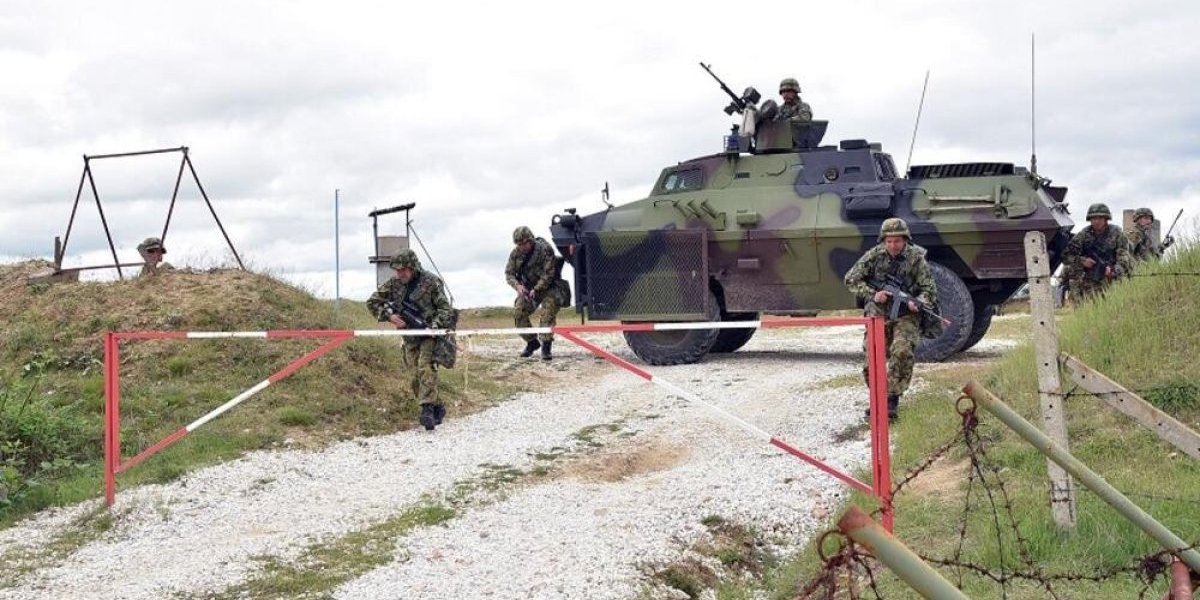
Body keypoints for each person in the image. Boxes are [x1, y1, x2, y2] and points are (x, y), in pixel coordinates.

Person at [843, 218, 938, 421]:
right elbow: (851, 278)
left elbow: (929, 289)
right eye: (889, 241)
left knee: (902, 351)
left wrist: (918, 302)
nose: (893, 245)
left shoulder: (916, 258)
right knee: (872, 357)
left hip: (906, 315)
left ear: (905, 240)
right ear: (883, 241)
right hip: (878, 313)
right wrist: (872, 293)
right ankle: (877, 397)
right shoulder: (874, 256)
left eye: (897, 241)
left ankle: (891, 399)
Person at [366, 249, 455, 431]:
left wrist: (435, 327)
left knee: (425, 367)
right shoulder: (393, 284)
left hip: (429, 334)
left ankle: (427, 410)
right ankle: (437, 406)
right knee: (414, 376)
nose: (400, 274)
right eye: (397, 270)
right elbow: (372, 302)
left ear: (413, 267)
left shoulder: (431, 282)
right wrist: (389, 317)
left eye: (403, 270)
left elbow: (445, 309)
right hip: (409, 336)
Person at [505, 225, 568, 361]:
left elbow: (548, 275)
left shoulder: (545, 249)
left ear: (531, 240)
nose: (522, 247)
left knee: (546, 316)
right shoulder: (515, 254)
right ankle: (532, 343)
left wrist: (536, 289)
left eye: (524, 243)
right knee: (519, 312)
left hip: (549, 288)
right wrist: (518, 286)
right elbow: (509, 273)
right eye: (519, 244)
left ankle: (546, 346)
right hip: (529, 289)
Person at [1061, 203, 1133, 304]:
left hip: (1112, 279)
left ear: (1106, 219)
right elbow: (1066, 256)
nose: (1097, 221)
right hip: (1089, 281)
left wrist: (1113, 270)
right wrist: (1082, 261)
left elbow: (1124, 257)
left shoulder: (1117, 233)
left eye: (1100, 218)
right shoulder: (1083, 235)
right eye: (1093, 218)